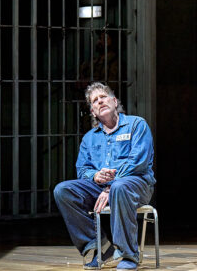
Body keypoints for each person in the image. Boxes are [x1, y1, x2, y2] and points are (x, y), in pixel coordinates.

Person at [54, 82, 155, 270]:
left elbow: (138, 162)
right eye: (95, 101)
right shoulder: (89, 138)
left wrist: (110, 186)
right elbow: (82, 170)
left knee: (119, 187)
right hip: (102, 188)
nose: (100, 101)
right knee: (63, 191)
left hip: (136, 184)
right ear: (93, 112)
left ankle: (128, 255)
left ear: (115, 102)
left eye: (103, 97)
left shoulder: (136, 125)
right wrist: (96, 177)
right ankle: (100, 246)